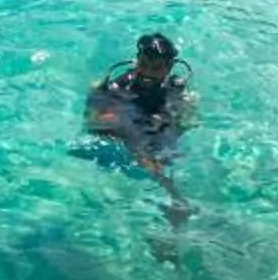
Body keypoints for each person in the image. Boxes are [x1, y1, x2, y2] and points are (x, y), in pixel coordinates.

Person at [84, 31, 196, 217]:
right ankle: (176, 199)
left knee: (167, 152)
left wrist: (183, 114)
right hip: (128, 123)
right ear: (136, 61)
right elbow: (93, 120)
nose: (148, 72)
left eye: (156, 67)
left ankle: (173, 198)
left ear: (168, 68)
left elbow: (188, 121)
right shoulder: (118, 86)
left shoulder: (177, 87)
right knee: (134, 141)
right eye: (143, 64)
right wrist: (97, 99)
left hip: (156, 123)